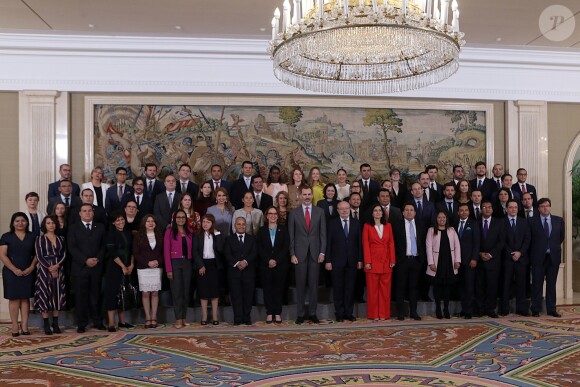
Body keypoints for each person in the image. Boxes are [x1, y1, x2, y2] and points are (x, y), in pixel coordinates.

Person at [288, 185, 327, 324]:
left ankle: (312, 313)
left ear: (312, 195)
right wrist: (292, 254)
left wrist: (322, 252)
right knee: (300, 285)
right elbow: (291, 236)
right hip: (299, 254)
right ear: (300, 195)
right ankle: (300, 314)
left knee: (313, 285)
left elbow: (323, 234)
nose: (307, 197)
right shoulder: (294, 213)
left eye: (309, 194)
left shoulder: (320, 212)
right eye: (304, 194)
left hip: (316, 254)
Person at [67, 203, 106, 333]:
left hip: (96, 267)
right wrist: (85, 260)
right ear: (80, 213)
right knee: (80, 297)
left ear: (93, 212)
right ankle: (82, 323)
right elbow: (72, 247)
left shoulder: (100, 227)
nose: (87, 213)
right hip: (80, 268)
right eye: (84, 211)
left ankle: (98, 321)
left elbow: (104, 246)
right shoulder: (73, 228)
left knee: (96, 296)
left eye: (90, 211)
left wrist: (97, 259)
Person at [1, 212, 37, 336]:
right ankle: (15, 326)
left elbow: (37, 254)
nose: (20, 223)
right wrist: (14, 269)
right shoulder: (6, 236)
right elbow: (2, 255)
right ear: (12, 223)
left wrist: (32, 267)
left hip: (28, 270)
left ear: (27, 222)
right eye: (17, 221)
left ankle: (25, 326)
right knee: (14, 299)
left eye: (23, 220)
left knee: (25, 298)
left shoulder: (33, 236)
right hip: (11, 272)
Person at [325, 201, 362, 322]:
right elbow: (328, 243)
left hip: (352, 261)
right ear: (338, 210)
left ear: (350, 209)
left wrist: (360, 259)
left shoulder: (357, 223)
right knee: (338, 289)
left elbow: (359, 244)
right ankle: (339, 313)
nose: (345, 210)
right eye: (342, 209)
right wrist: (328, 260)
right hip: (336, 262)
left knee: (350, 289)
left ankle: (348, 313)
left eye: (347, 208)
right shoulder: (332, 223)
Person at [529, 198, 565, 317]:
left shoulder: (558, 221)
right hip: (538, 257)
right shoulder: (532, 221)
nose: (545, 208)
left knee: (551, 284)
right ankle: (535, 308)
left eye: (547, 205)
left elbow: (560, 238)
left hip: (553, 257)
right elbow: (529, 240)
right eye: (542, 206)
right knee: (537, 284)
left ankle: (551, 309)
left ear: (550, 207)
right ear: (538, 208)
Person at [34, 215, 66, 335]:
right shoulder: (39, 239)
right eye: (48, 223)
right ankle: (46, 323)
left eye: (53, 223)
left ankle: (56, 323)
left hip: (58, 268)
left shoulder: (61, 238)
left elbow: (64, 254)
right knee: (45, 294)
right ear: (44, 225)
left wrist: (56, 266)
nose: (51, 225)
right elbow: (39, 255)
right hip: (44, 270)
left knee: (57, 295)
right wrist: (50, 267)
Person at [362, 204, 395, 321]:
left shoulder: (388, 226)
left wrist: (392, 260)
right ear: (372, 213)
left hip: (386, 261)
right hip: (372, 261)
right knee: (373, 290)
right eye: (375, 210)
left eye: (379, 210)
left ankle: (384, 314)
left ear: (382, 213)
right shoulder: (367, 226)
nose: (377, 212)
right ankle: (374, 314)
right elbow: (365, 244)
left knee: (385, 290)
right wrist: (367, 261)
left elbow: (391, 243)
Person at [103, 211, 135, 332]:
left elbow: (132, 250)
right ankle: (111, 323)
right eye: (118, 220)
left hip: (127, 267)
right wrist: (122, 266)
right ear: (113, 222)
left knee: (123, 293)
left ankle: (122, 322)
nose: (121, 222)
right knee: (112, 293)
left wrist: (131, 265)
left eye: (122, 219)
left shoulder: (128, 233)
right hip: (114, 267)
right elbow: (112, 252)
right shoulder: (110, 234)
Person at [257, 207, 290, 324]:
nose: (273, 216)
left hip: (280, 265)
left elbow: (286, 247)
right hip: (265, 266)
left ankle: (277, 313)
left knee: (278, 289)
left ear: (277, 216)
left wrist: (276, 260)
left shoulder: (283, 229)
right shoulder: (261, 230)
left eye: (275, 214)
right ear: (266, 216)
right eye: (270, 213)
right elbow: (259, 248)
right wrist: (268, 260)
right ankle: (269, 313)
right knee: (267, 290)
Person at [426, 211, 461, 319]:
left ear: (446, 219)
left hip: (449, 261)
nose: (442, 219)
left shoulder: (452, 230)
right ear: (436, 219)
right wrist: (431, 262)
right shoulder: (431, 230)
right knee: (437, 287)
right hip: (437, 262)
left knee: (447, 286)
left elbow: (457, 246)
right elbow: (428, 247)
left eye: (443, 217)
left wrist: (457, 260)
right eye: (439, 217)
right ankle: (438, 309)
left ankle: (446, 309)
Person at [395, 203, 426, 321]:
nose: (409, 212)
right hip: (402, 260)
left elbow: (423, 243)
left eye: (411, 210)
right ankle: (401, 313)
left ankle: (414, 312)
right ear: (403, 212)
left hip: (416, 260)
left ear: (415, 212)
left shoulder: (421, 225)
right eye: (406, 210)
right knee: (400, 287)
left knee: (414, 287)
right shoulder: (397, 225)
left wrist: (421, 259)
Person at [225, 217, 258, 325]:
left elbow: (254, 252)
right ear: (235, 226)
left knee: (248, 296)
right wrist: (237, 263)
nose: (241, 226)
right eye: (239, 224)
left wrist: (246, 261)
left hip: (248, 272)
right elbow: (227, 254)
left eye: (243, 224)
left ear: (246, 226)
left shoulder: (252, 239)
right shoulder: (229, 239)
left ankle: (247, 318)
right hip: (234, 273)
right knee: (236, 296)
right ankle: (237, 318)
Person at [500, 199, 531, 316]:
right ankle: (504, 309)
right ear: (507, 209)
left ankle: (521, 309)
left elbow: (527, 240)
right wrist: (511, 253)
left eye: (515, 207)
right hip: (507, 258)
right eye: (511, 207)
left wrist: (520, 253)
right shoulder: (501, 222)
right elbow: (501, 241)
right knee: (506, 284)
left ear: (518, 209)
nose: (513, 209)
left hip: (521, 258)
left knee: (521, 284)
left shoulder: (524, 222)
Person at [133, 214, 164, 329]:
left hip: (156, 267)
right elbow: (136, 253)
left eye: (152, 221)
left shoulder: (160, 235)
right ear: (144, 223)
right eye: (148, 221)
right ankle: (147, 317)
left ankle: (154, 317)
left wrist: (157, 262)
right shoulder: (138, 236)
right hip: (143, 268)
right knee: (145, 293)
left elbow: (163, 252)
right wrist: (148, 263)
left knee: (155, 292)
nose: (151, 223)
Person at [164, 210, 193, 328]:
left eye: (183, 217)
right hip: (175, 263)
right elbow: (166, 252)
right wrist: (168, 269)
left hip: (187, 263)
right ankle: (178, 318)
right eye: (178, 217)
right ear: (174, 219)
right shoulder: (169, 232)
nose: (181, 219)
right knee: (177, 292)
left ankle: (184, 317)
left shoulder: (190, 232)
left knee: (186, 291)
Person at [193, 214, 224, 325]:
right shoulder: (197, 235)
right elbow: (195, 251)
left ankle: (215, 316)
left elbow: (220, 249)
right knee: (203, 291)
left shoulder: (217, 234)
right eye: (204, 221)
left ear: (212, 224)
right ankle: (204, 316)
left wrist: (217, 234)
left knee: (214, 291)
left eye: (208, 222)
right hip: (202, 264)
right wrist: (200, 265)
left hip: (214, 265)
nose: (205, 224)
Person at [476, 200, 505, 318]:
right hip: (478, 259)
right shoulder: (475, 222)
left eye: (489, 207)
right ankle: (480, 309)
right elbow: (472, 240)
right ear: (481, 209)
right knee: (479, 286)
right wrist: (479, 253)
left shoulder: (499, 223)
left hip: (493, 260)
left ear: (492, 209)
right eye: (484, 207)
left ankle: (490, 309)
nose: (487, 209)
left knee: (492, 286)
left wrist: (491, 254)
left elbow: (501, 241)